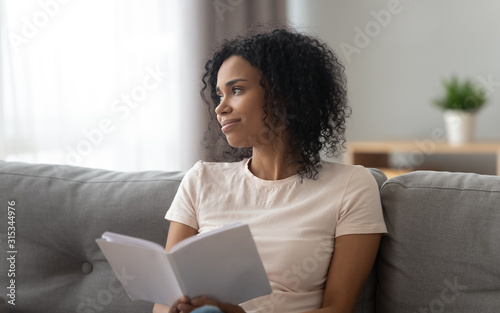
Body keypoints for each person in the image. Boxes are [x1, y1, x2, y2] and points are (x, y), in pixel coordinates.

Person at [153, 28, 387, 313]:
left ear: (283, 95)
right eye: (219, 95)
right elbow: (164, 303)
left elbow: (338, 309)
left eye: (236, 90)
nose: (220, 108)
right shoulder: (201, 180)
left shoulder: (352, 185)